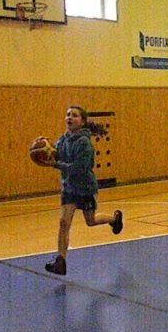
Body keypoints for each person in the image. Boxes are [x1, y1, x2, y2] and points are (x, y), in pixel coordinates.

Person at [43, 105, 123, 275]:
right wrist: (45, 149)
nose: (69, 118)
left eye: (74, 115)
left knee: (90, 221)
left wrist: (55, 164)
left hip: (85, 188)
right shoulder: (62, 139)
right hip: (69, 188)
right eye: (68, 115)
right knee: (64, 222)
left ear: (82, 121)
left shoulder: (85, 143)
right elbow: (55, 154)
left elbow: (78, 168)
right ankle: (60, 261)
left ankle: (114, 219)